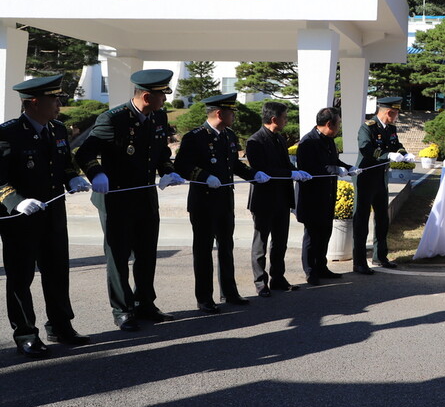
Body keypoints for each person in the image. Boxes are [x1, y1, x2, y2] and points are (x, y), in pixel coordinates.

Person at [76, 69, 186, 331]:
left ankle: (145, 303)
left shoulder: (157, 116)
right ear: (147, 96)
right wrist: (96, 172)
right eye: (162, 95)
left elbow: (160, 153)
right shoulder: (113, 119)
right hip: (116, 196)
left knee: (147, 253)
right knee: (119, 255)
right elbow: (84, 154)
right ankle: (123, 309)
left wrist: (168, 171)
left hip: (145, 195)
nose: (165, 100)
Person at [0, 75, 92, 357]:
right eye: (54, 99)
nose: (59, 104)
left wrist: (73, 178)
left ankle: (61, 326)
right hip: (21, 219)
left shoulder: (58, 130)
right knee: (20, 277)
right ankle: (26, 333)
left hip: (52, 214)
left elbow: (64, 164)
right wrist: (16, 201)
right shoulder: (8, 134)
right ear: (33, 103)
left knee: (56, 272)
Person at [175, 93, 269, 314]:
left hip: (225, 201)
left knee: (226, 247)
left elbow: (234, 165)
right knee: (204, 250)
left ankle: (229, 291)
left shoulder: (228, 135)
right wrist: (204, 176)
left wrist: (254, 174)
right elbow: (182, 166)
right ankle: (204, 297)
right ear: (220, 113)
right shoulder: (195, 137)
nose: (234, 116)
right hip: (204, 203)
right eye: (231, 112)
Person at [246, 101, 312, 297]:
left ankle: (278, 277)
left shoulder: (280, 139)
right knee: (261, 244)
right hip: (264, 199)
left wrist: (297, 172)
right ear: (274, 119)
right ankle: (260, 282)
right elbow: (262, 169)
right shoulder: (255, 141)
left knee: (280, 241)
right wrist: (289, 174)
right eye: (285, 117)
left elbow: (285, 165)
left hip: (282, 198)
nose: (287, 121)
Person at [297, 107, 359, 284]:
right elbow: (310, 167)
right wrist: (335, 170)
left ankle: (321, 266)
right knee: (312, 235)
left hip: (328, 194)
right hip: (312, 196)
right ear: (329, 123)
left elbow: (334, 161)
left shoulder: (329, 140)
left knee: (325, 232)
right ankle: (310, 270)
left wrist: (348, 168)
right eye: (338, 123)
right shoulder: (308, 142)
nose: (339, 127)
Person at [353, 96, 414, 274]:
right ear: (389, 112)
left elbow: (396, 144)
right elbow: (366, 148)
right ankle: (359, 262)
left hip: (381, 178)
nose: (397, 117)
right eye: (396, 114)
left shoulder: (390, 128)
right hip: (366, 179)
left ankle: (380, 256)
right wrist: (387, 155)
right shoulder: (367, 127)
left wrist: (404, 153)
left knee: (382, 219)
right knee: (361, 221)